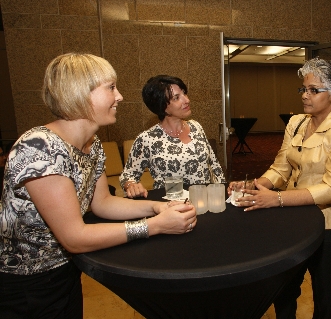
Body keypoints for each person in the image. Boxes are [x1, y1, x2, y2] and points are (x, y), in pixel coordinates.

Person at [0, 53, 197, 318]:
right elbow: (74, 238)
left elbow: (103, 203)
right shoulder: (39, 148)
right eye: (111, 88)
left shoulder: (92, 145)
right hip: (25, 284)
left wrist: (156, 207)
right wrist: (155, 226)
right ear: (79, 93)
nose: (120, 97)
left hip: (64, 271)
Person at [228, 58, 331, 318]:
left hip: (330, 225)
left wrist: (276, 199)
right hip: (292, 221)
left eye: (314, 90)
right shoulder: (297, 123)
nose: (305, 95)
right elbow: (280, 168)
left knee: (325, 294)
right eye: (303, 89)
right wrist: (256, 186)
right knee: (284, 289)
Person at [120, 75, 225, 198]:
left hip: (206, 202)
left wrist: (222, 190)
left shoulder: (196, 127)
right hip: (172, 208)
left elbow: (214, 165)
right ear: (162, 106)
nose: (186, 100)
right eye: (176, 98)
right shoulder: (147, 139)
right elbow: (128, 175)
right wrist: (131, 185)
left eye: (184, 93)